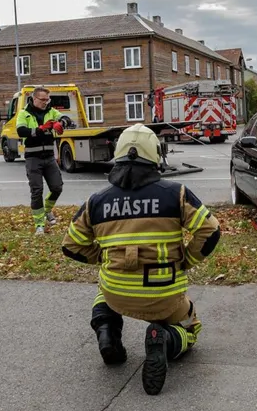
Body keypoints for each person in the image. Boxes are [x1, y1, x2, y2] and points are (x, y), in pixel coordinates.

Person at [61, 124, 221, 396]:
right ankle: (166, 339)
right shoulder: (176, 193)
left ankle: (107, 333)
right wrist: (186, 260)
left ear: (118, 153)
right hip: (164, 294)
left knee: (103, 289)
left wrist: (102, 257)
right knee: (191, 328)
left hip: (117, 293)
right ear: (155, 154)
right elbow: (211, 231)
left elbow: (70, 245)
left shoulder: (96, 201)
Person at [15, 86, 65, 234]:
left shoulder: (51, 111)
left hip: (49, 157)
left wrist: (61, 123)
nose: (45, 102)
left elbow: (65, 118)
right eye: (43, 100)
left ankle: (47, 210)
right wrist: (40, 129)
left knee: (57, 187)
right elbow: (21, 131)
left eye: (47, 99)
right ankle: (39, 224)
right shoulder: (24, 114)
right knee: (37, 191)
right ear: (34, 98)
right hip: (33, 158)